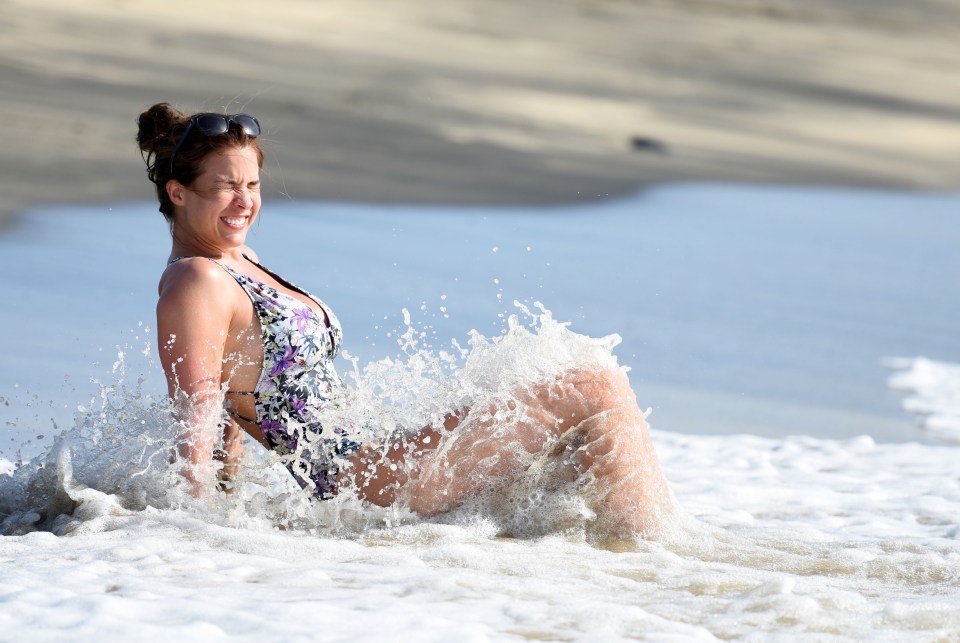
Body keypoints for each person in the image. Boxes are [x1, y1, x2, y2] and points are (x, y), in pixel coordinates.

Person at [137, 103, 673, 535]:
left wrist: (230, 504)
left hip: (383, 457)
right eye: (225, 186)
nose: (244, 201)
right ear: (178, 192)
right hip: (375, 483)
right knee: (592, 386)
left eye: (251, 186)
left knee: (586, 424)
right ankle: (661, 558)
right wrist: (195, 528)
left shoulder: (238, 262)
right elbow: (199, 405)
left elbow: (235, 399)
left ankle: (628, 562)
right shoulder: (197, 281)